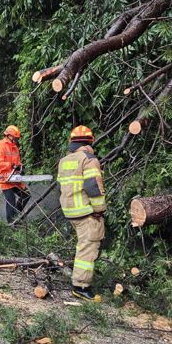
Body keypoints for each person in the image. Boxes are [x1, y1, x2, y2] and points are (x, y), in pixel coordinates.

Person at [57, 125, 106, 302]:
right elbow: (93, 186)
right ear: (90, 142)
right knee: (88, 247)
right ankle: (81, 286)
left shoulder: (64, 160)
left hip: (70, 210)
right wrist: (100, 209)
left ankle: (81, 278)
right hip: (86, 211)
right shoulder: (89, 159)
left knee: (83, 246)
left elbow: (60, 186)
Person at [0, 125, 31, 223]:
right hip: (4, 178)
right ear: (9, 136)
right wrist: (11, 165)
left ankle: (15, 216)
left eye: (17, 138)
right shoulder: (0, 147)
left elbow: (17, 162)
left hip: (14, 178)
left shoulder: (15, 148)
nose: (16, 140)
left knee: (26, 195)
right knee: (11, 200)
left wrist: (20, 168)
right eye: (15, 138)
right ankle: (11, 223)